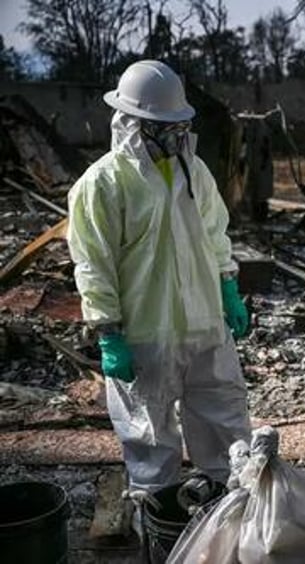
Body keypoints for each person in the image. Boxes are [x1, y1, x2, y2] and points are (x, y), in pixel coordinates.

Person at [67, 60, 252, 493]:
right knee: (150, 434)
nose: (176, 136)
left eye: (178, 126)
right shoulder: (102, 185)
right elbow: (94, 265)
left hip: (205, 325)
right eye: (163, 126)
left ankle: (231, 513)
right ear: (133, 124)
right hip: (143, 335)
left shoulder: (194, 171)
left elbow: (215, 233)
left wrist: (228, 286)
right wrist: (108, 332)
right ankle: (158, 520)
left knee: (226, 420)